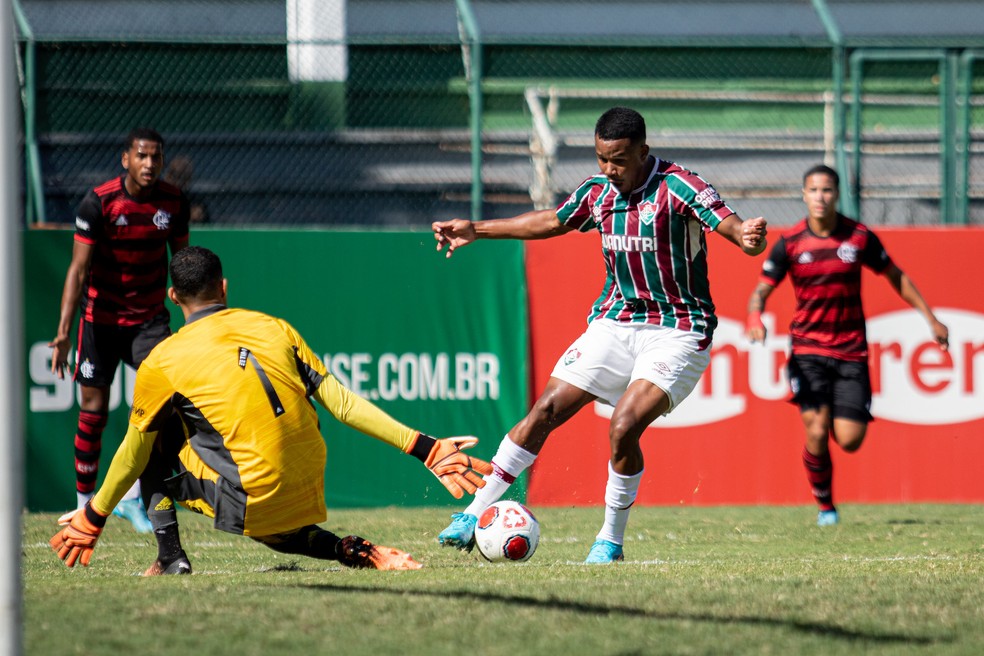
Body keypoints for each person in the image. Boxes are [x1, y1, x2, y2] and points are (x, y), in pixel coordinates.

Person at [431, 106, 769, 563]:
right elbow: (552, 221)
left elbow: (732, 227)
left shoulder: (679, 186)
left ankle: (609, 541)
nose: (609, 170)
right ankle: (474, 512)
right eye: (601, 159)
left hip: (678, 330)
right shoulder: (599, 192)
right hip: (615, 322)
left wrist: (747, 235)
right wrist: (478, 229)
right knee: (545, 410)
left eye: (619, 161)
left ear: (643, 152)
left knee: (624, 425)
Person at [50, 246, 493, 574]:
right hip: (309, 481)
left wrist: (94, 515)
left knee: (152, 439)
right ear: (224, 288)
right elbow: (342, 404)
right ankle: (356, 551)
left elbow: (131, 452)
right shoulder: (273, 326)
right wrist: (425, 448)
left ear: (172, 296)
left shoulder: (162, 360)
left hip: (254, 497)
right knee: (272, 524)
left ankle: (170, 558)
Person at [745, 164, 949, 526]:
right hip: (807, 349)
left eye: (827, 190)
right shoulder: (790, 242)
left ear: (837, 194)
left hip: (852, 351)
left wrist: (930, 318)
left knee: (850, 439)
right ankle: (826, 507)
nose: (820, 197)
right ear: (804, 194)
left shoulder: (858, 237)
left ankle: (826, 484)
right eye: (813, 190)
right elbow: (762, 288)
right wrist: (754, 315)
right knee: (817, 429)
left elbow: (895, 276)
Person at [48, 128, 190, 533]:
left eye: (156, 157)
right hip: (101, 320)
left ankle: (131, 499)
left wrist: (191, 323)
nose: (149, 164)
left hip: (149, 322)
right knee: (92, 411)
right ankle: (82, 507)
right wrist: (62, 331)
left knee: (157, 407)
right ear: (125, 158)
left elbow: (182, 266)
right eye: (142, 156)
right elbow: (77, 270)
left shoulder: (173, 202)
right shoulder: (99, 203)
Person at [163, 155, 211, 224]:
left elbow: (201, 217)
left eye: (182, 178)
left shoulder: (195, 200)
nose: (178, 182)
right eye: (175, 176)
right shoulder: (160, 194)